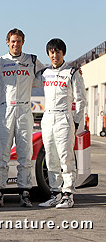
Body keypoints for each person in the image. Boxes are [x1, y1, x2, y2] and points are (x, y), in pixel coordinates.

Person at [0, 28, 45, 208]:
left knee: (25, 154)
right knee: (2, 154)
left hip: (24, 110)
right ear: (7, 42)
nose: (15, 44)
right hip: (5, 110)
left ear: (23, 42)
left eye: (19, 41)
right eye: (13, 41)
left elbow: (47, 76)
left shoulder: (32, 60)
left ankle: (25, 192)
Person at [37, 38, 86, 208]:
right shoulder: (44, 73)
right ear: (48, 54)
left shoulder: (72, 73)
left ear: (63, 53)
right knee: (51, 158)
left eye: (57, 51)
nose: (54, 55)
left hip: (65, 118)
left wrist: (76, 121)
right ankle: (55, 193)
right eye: (51, 52)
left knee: (66, 157)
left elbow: (81, 100)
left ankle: (68, 194)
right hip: (48, 118)